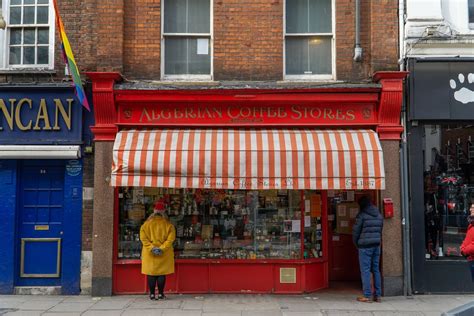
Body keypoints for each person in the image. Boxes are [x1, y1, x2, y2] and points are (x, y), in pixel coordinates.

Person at [140, 200, 176, 300]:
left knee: (151, 273)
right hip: (163, 253)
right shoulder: (169, 225)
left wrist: (152, 248)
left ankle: (152, 294)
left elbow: (143, 239)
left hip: (149, 253)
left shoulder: (145, 225)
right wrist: (161, 248)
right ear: (164, 211)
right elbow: (170, 239)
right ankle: (160, 294)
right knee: (161, 274)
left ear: (154, 210)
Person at [352, 195, 384, 303]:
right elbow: (380, 230)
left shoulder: (362, 215)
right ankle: (378, 295)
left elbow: (356, 232)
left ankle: (367, 295)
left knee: (365, 270)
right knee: (375, 269)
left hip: (365, 247)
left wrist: (357, 244)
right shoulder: (379, 215)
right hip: (376, 245)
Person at [460, 203, 474, 281]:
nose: (470, 209)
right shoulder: (471, 223)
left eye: (473, 208)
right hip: (471, 258)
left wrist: (464, 250)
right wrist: (462, 247)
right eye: (471, 207)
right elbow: (468, 239)